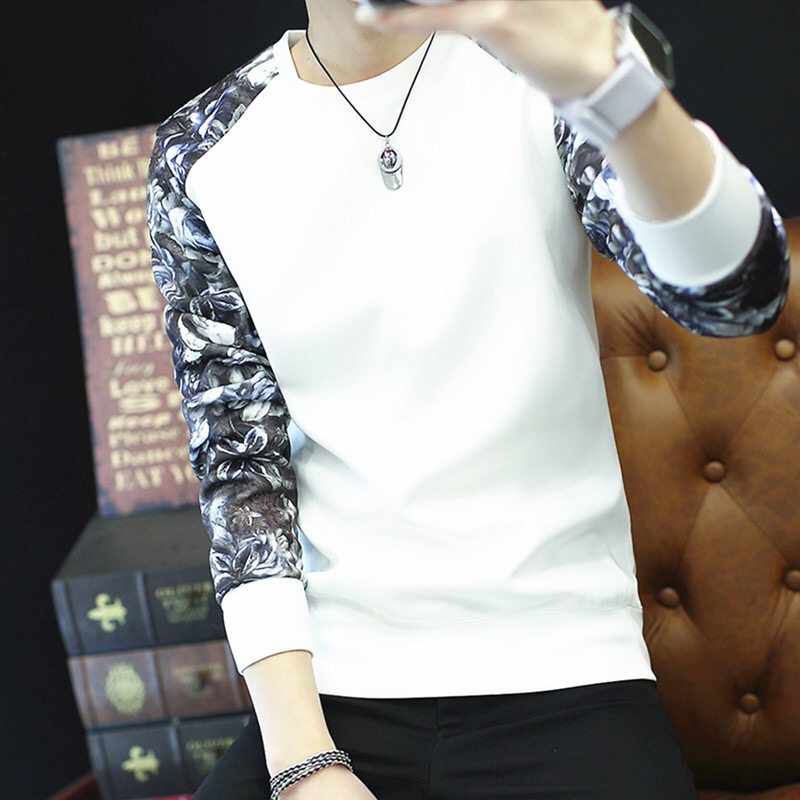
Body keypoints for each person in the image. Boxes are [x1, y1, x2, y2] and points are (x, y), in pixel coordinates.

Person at [145, 2, 790, 798]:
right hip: (336, 690)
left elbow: (737, 295)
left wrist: (615, 90)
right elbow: (241, 472)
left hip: (566, 669)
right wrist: (302, 761)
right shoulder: (202, 148)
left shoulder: (532, 68)